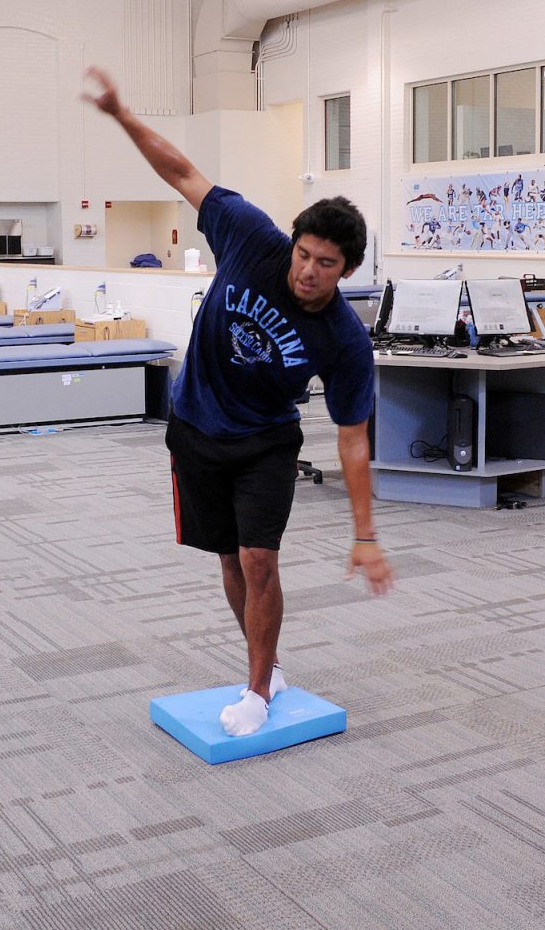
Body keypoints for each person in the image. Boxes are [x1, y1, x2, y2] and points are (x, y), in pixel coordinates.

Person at [82, 67, 394, 737]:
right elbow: (182, 172)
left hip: (265, 441)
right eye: (305, 254)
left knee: (259, 559)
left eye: (327, 264)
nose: (309, 272)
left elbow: (353, 437)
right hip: (194, 426)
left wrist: (365, 534)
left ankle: (255, 690)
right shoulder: (251, 237)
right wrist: (121, 114)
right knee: (228, 559)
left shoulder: (342, 340)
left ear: (348, 270)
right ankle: (269, 664)